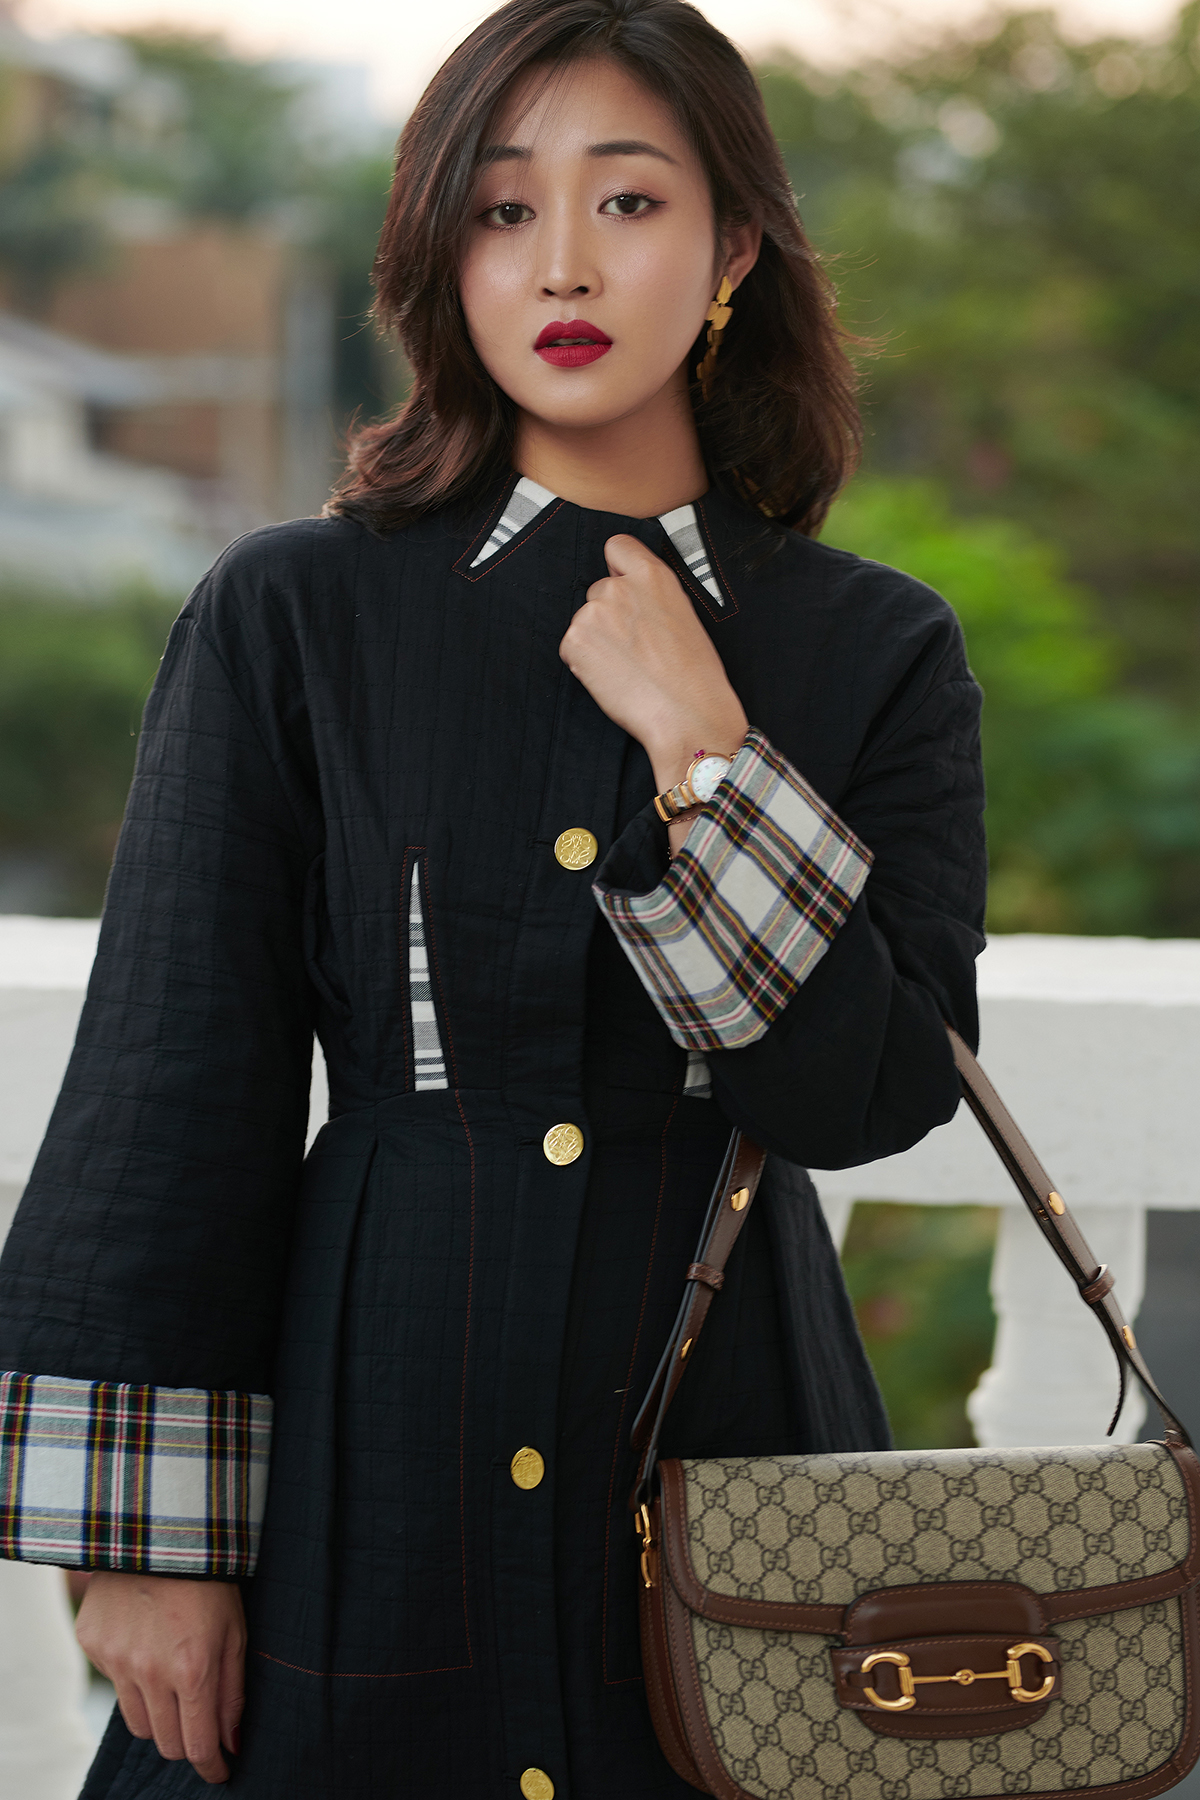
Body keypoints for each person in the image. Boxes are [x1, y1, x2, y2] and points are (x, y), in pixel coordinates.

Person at [0, 0, 986, 1793]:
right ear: (440, 254)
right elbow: (172, 1078)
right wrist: (145, 1542)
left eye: (629, 202)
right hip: (361, 1461)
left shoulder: (873, 648)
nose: (562, 264)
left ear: (733, 251)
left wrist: (707, 751)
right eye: (503, 209)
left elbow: (870, 1093)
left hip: (739, 1474)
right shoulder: (297, 613)